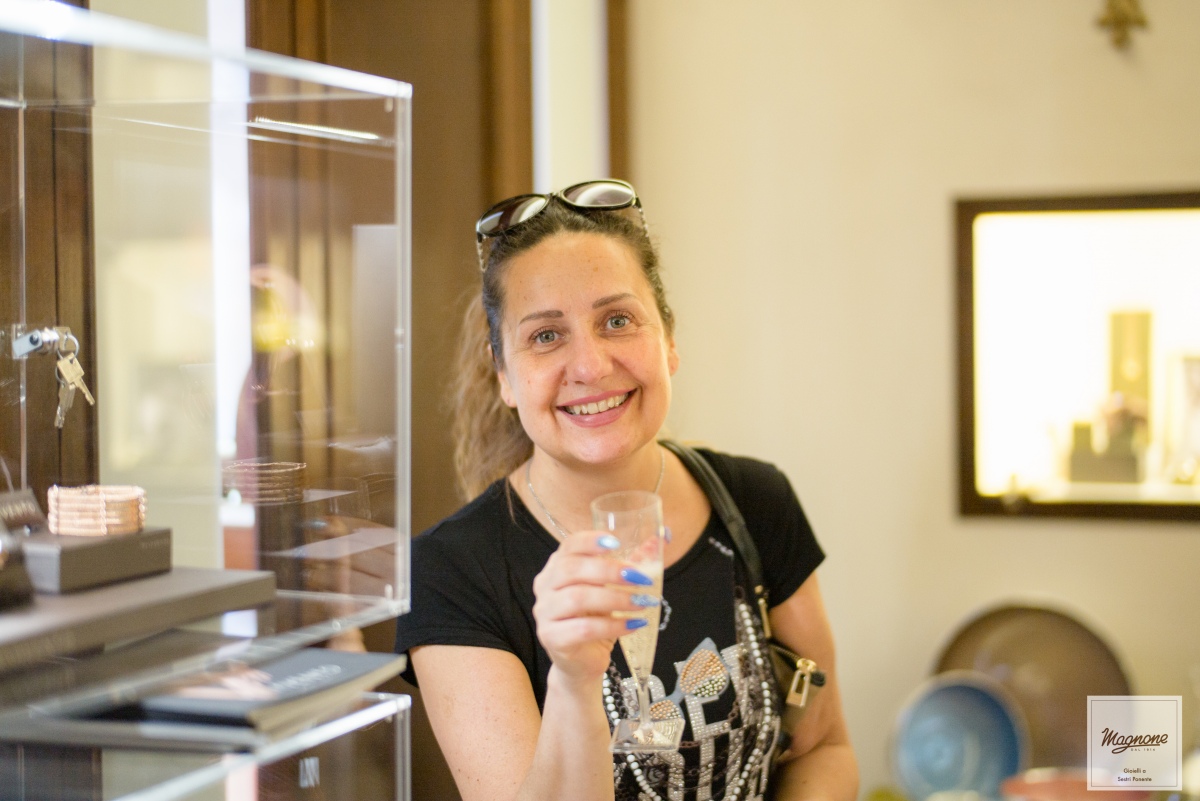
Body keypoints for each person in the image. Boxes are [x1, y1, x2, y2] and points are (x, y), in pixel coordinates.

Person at [395, 179, 857, 801]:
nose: (590, 366)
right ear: (503, 373)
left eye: (617, 320)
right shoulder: (450, 573)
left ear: (669, 340)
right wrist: (573, 679)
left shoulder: (754, 499)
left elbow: (825, 749)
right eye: (546, 335)